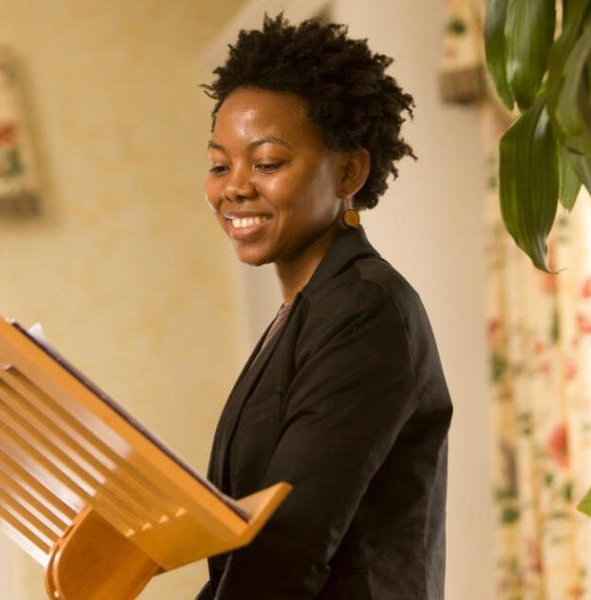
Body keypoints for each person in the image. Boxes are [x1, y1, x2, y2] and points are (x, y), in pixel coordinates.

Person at [196, 14, 453, 600]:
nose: (234, 187)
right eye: (219, 165)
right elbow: (247, 547)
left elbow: (286, 549)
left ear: (349, 172)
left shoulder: (365, 310)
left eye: (267, 163)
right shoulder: (304, 312)